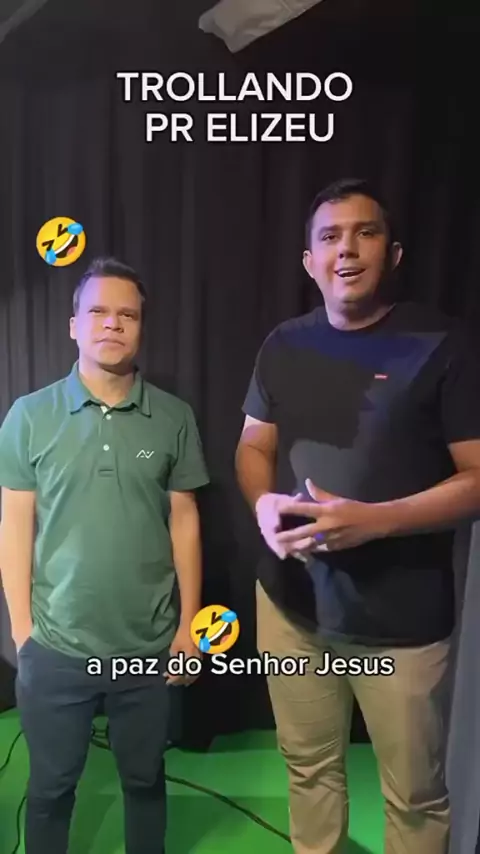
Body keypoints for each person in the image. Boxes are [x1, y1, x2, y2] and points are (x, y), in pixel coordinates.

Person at [235, 178, 480, 854]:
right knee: (308, 771)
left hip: (402, 625)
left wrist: (378, 520)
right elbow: (252, 446)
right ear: (309, 261)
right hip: (291, 609)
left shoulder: (444, 344)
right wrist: (262, 502)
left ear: (392, 254)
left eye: (364, 233)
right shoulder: (282, 344)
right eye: (329, 237)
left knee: (415, 797)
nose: (346, 249)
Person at [0, 257, 209, 854]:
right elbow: (14, 526)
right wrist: (22, 632)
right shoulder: (29, 416)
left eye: (127, 314)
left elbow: (185, 521)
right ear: (73, 325)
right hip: (56, 647)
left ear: (141, 327)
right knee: (49, 790)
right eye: (97, 311)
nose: (112, 323)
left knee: (145, 782)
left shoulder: (173, 417)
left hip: (148, 645)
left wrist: (188, 628)